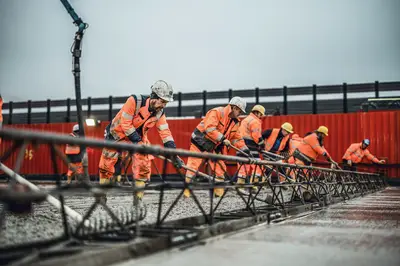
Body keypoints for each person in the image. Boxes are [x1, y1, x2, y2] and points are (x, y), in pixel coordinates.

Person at [99, 80, 183, 201]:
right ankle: (102, 194)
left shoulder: (159, 113)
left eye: (166, 103)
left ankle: (138, 199)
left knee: (143, 165)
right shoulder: (134, 101)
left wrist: (174, 155)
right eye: (163, 101)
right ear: (154, 96)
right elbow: (126, 124)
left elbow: (165, 133)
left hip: (138, 138)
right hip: (117, 135)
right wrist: (138, 143)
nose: (164, 105)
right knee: (106, 165)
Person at [184, 96, 250, 198]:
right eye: (240, 111)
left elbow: (236, 138)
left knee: (220, 169)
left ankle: (218, 194)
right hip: (200, 141)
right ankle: (186, 192)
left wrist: (244, 149)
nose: (240, 114)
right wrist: (223, 139)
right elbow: (209, 128)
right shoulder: (217, 112)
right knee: (193, 166)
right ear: (235, 108)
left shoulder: (235, 122)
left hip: (214, 145)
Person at [236, 105, 266, 188]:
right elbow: (256, 136)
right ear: (257, 112)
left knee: (244, 166)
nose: (261, 116)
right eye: (261, 114)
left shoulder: (245, 120)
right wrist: (261, 144)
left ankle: (240, 185)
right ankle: (254, 185)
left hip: (241, 146)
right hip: (250, 146)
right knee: (257, 165)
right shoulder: (255, 121)